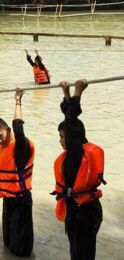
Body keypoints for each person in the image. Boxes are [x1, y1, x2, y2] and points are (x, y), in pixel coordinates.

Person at [52, 79, 105, 260]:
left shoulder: (76, 156)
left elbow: (70, 121)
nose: (60, 141)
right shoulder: (79, 154)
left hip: (83, 214)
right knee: (82, 252)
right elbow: (71, 123)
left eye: (62, 136)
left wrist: (77, 92)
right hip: (87, 208)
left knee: (81, 255)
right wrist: (66, 95)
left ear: (73, 137)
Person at [0, 87, 35, 257]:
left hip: (21, 200)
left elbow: (18, 127)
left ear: (8, 130)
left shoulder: (19, 146)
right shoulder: (2, 144)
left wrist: (18, 100)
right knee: (8, 242)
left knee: (20, 248)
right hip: (8, 198)